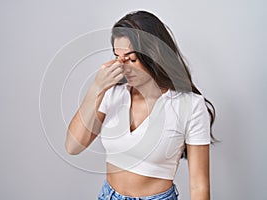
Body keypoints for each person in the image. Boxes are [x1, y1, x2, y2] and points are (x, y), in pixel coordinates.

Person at [65, 10, 216, 200]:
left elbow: (199, 186)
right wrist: (96, 88)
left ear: (153, 55)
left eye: (132, 59)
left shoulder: (190, 105)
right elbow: (73, 146)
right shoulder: (112, 93)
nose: (123, 66)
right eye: (118, 58)